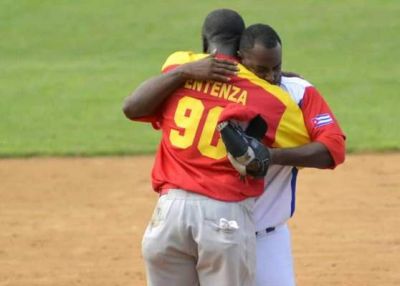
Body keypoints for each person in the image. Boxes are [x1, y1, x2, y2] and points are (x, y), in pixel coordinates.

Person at [123, 9, 312, 286]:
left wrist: (184, 72)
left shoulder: (178, 65)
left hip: (168, 214)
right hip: (224, 215)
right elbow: (323, 145)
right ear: (241, 50)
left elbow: (131, 108)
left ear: (203, 42)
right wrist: (281, 83)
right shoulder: (267, 95)